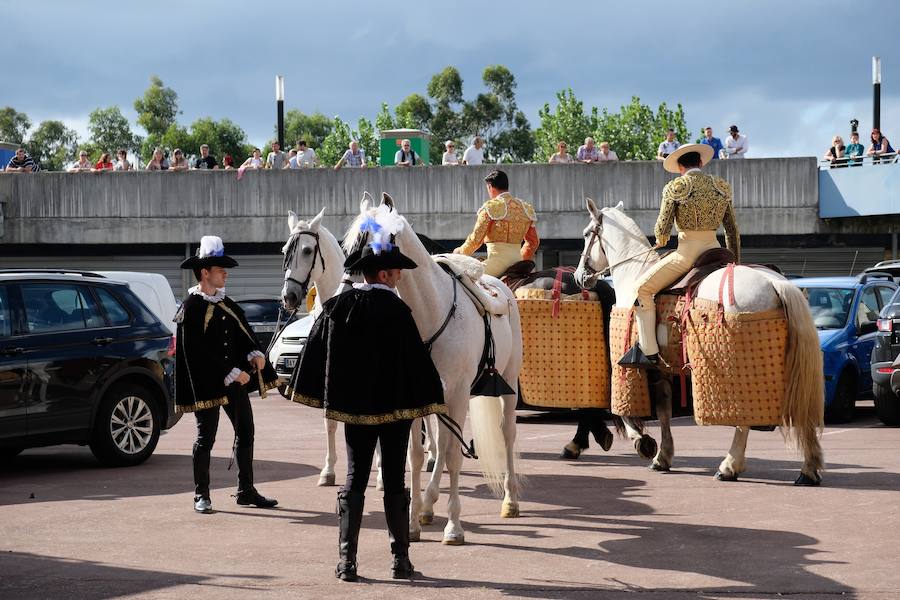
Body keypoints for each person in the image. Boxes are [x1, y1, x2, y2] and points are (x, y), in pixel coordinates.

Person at [289, 231, 446, 581]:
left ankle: (347, 563)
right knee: (393, 480)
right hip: (395, 415)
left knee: (354, 479)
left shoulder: (336, 307)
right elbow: (416, 363)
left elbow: (317, 353)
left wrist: (331, 396)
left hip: (354, 413)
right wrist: (434, 395)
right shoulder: (399, 310)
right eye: (397, 271)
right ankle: (400, 561)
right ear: (386, 274)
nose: (401, 276)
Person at [175, 235, 280, 514]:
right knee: (205, 438)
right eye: (220, 269)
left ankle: (246, 490)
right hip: (207, 383)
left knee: (246, 432)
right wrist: (230, 372)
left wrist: (254, 354)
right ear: (204, 273)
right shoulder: (191, 306)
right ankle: (202, 495)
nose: (226, 273)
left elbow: (241, 335)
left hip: (233, 382)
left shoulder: (226, 303)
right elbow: (192, 351)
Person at [619, 143, 740, 371]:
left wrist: (661, 242)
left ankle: (649, 352)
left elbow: (662, 233)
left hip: (688, 255)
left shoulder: (676, 187)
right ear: (701, 163)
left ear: (680, 167)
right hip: (716, 251)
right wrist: (735, 261)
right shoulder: (721, 186)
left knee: (641, 290)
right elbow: (732, 231)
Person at [454, 169, 539, 277]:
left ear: (490, 186)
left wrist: (460, 252)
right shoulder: (526, 208)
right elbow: (533, 242)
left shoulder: (490, 207)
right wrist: (522, 260)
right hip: (518, 262)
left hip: (497, 264)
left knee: (464, 279)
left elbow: (476, 239)